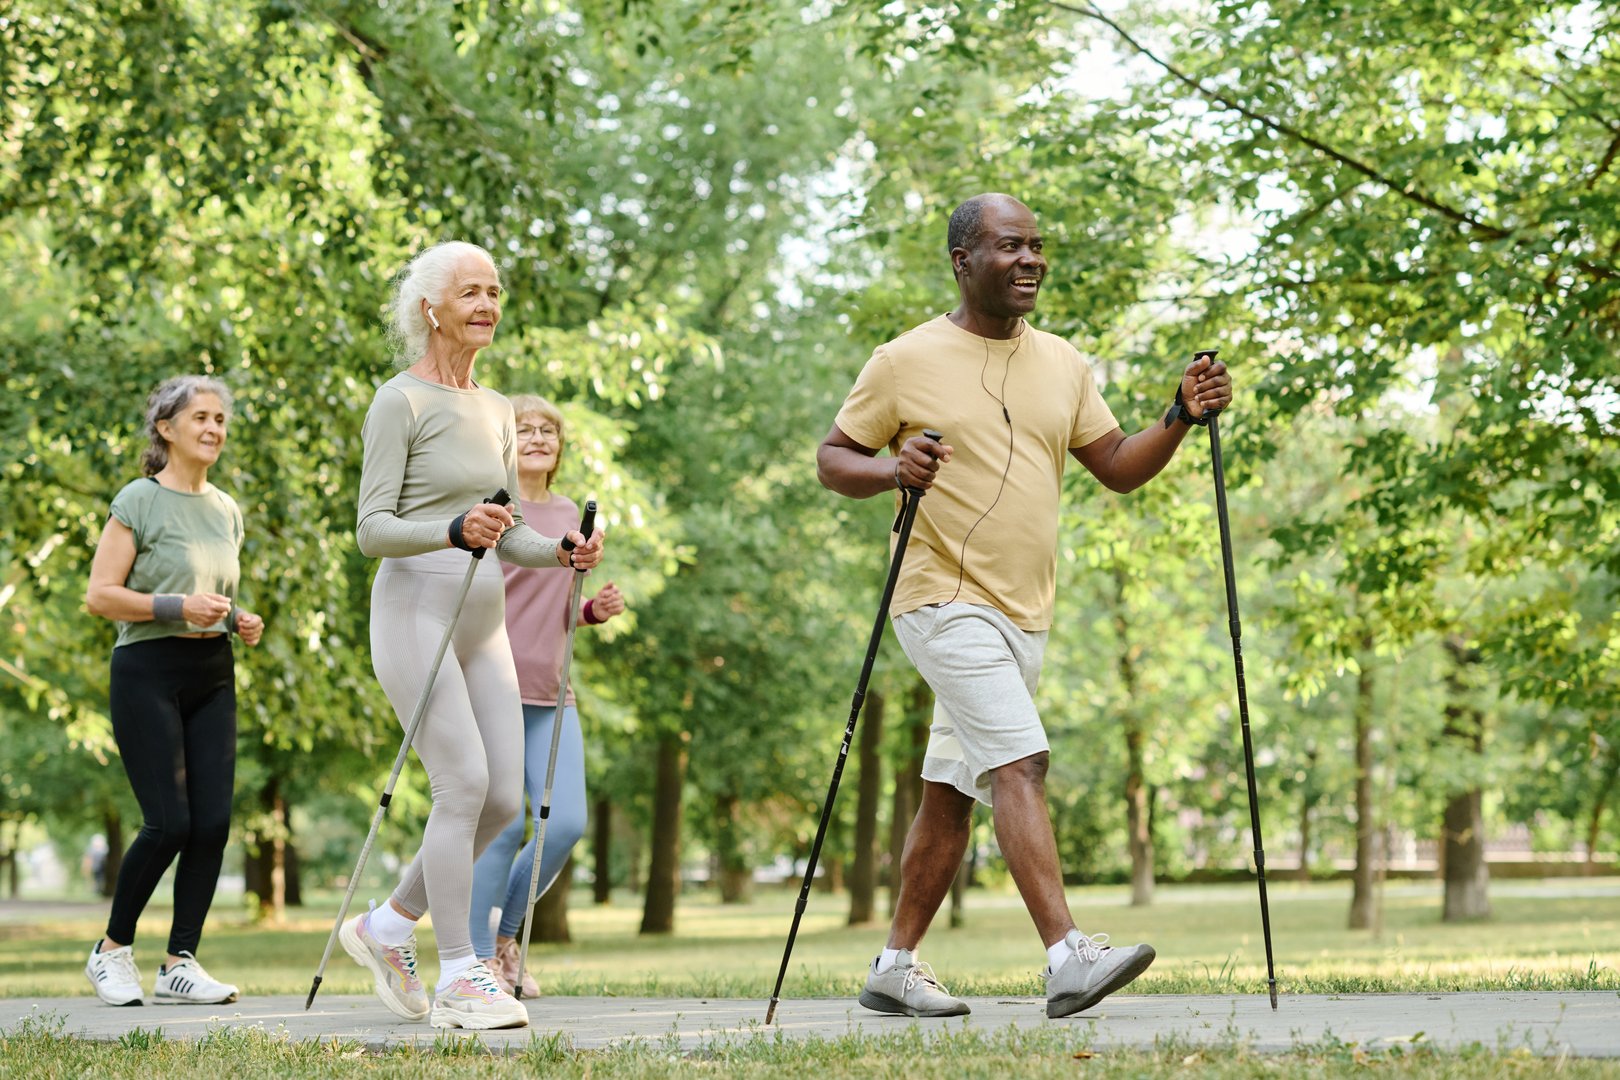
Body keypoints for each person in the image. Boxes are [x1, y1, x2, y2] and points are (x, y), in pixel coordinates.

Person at [816, 193, 1233, 1020]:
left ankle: (894, 965)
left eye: (1038, 246)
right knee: (1020, 762)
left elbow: (1114, 464)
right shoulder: (903, 359)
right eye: (1011, 246)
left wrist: (1180, 415)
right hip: (939, 596)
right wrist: (891, 471)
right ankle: (1066, 953)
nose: (1032, 259)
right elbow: (834, 459)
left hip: (1025, 612)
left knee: (951, 789)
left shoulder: (1065, 364)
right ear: (964, 260)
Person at [343, 241, 604, 1031]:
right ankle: (462, 971)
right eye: (470, 293)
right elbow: (371, 530)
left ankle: (388, 926)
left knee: (499, 799)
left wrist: (558, 552)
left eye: (494, 291)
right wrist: (453, 527)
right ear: (431, 307)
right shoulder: (400, 401)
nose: (487, 304)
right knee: (460, 784)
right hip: (415, 608)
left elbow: (515, 533)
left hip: (481, 618)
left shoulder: (495, 408)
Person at [83, 375, 266, 1007]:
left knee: (213, 823)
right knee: (168, 823)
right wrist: (175, 606)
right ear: (166, 429)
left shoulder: (226, 509)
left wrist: (237, 619)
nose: (214, 429)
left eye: (221, 419)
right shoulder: (138, 498)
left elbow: (211, 595)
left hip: (212, 670)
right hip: (147, 671)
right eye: (201, 418)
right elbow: (100, 595)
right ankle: (111, 951)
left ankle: (180, 963)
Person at [467, 394, 625, 996]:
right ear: (507, 442)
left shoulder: (571, 513)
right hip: (493, 686)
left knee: (565, 825)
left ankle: (507, 936)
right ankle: (479, 960)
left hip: (553, 693)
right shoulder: (492, 508)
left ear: (559, 448)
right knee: (503, 826)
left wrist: (591, 609)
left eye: (548, 431)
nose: (537, 438)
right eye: (524, 429)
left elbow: (556, 609)